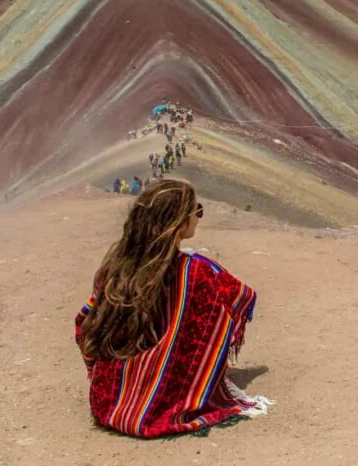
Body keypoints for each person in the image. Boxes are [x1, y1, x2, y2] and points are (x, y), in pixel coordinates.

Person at [75, 180, 271, 437]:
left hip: (108, 401)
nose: (198, 218)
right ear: (178, 221)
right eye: (196, 211)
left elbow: (85, 323)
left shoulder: (115, 266)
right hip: (158, 407)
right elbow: (241, 297)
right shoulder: (194, 271)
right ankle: (178, 381)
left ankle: (138, 381)